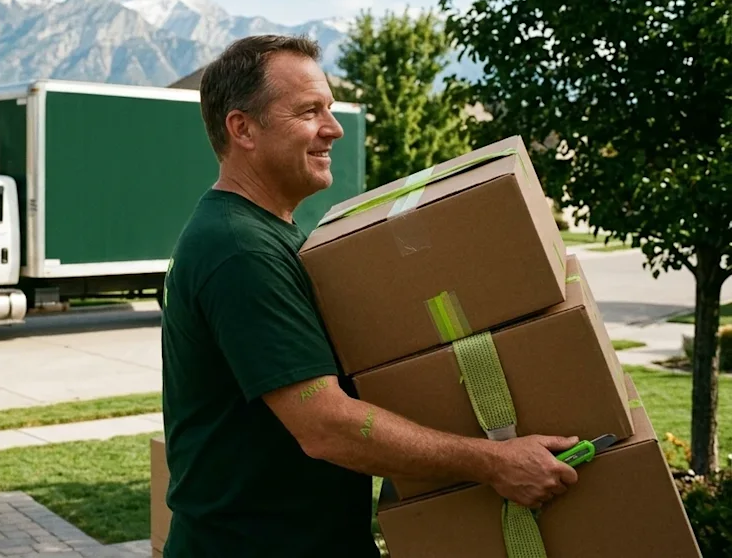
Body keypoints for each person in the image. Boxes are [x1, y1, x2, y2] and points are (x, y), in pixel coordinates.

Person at [159, 34, 581, 557]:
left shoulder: (272, 234)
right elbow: (325, 425)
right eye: (309, 111)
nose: (333, 128)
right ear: (242, 128)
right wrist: (495, 462)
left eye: (330, 109)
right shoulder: (239, 249)